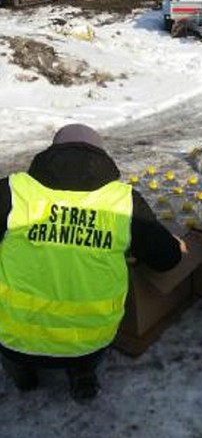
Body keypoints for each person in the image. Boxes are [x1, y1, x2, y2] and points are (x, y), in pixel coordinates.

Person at [0, 124, 182, 401]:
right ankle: (82, 374)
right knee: (86, 346)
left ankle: (22, 374)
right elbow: (167, 260)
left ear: (52, 152)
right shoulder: (123, 202)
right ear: (101, 157)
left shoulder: (13, 191)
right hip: (91, 339)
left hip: (11, 336)